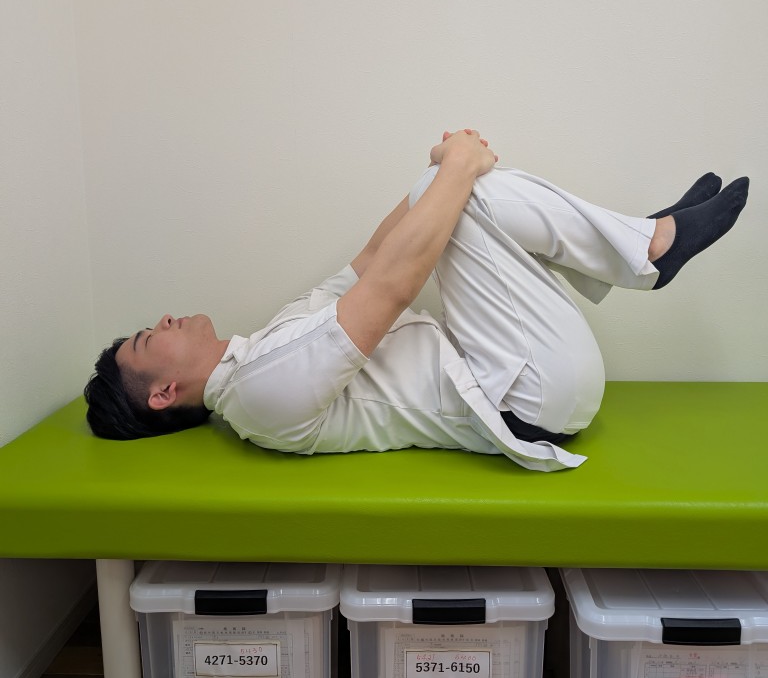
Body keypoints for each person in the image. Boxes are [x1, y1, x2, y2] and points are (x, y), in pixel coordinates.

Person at [84, 130, 749, 472]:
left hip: (520, 371)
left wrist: (438, 169)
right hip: (530, 399)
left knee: (442, 188)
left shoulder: (268, 343)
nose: (162, 321)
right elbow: (393, 286)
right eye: (148, 338)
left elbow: (372, 260)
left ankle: (642, 241)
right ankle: (648, 246)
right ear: (164, 393)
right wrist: (458, 167)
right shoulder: (261, 394)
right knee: (463, 191)